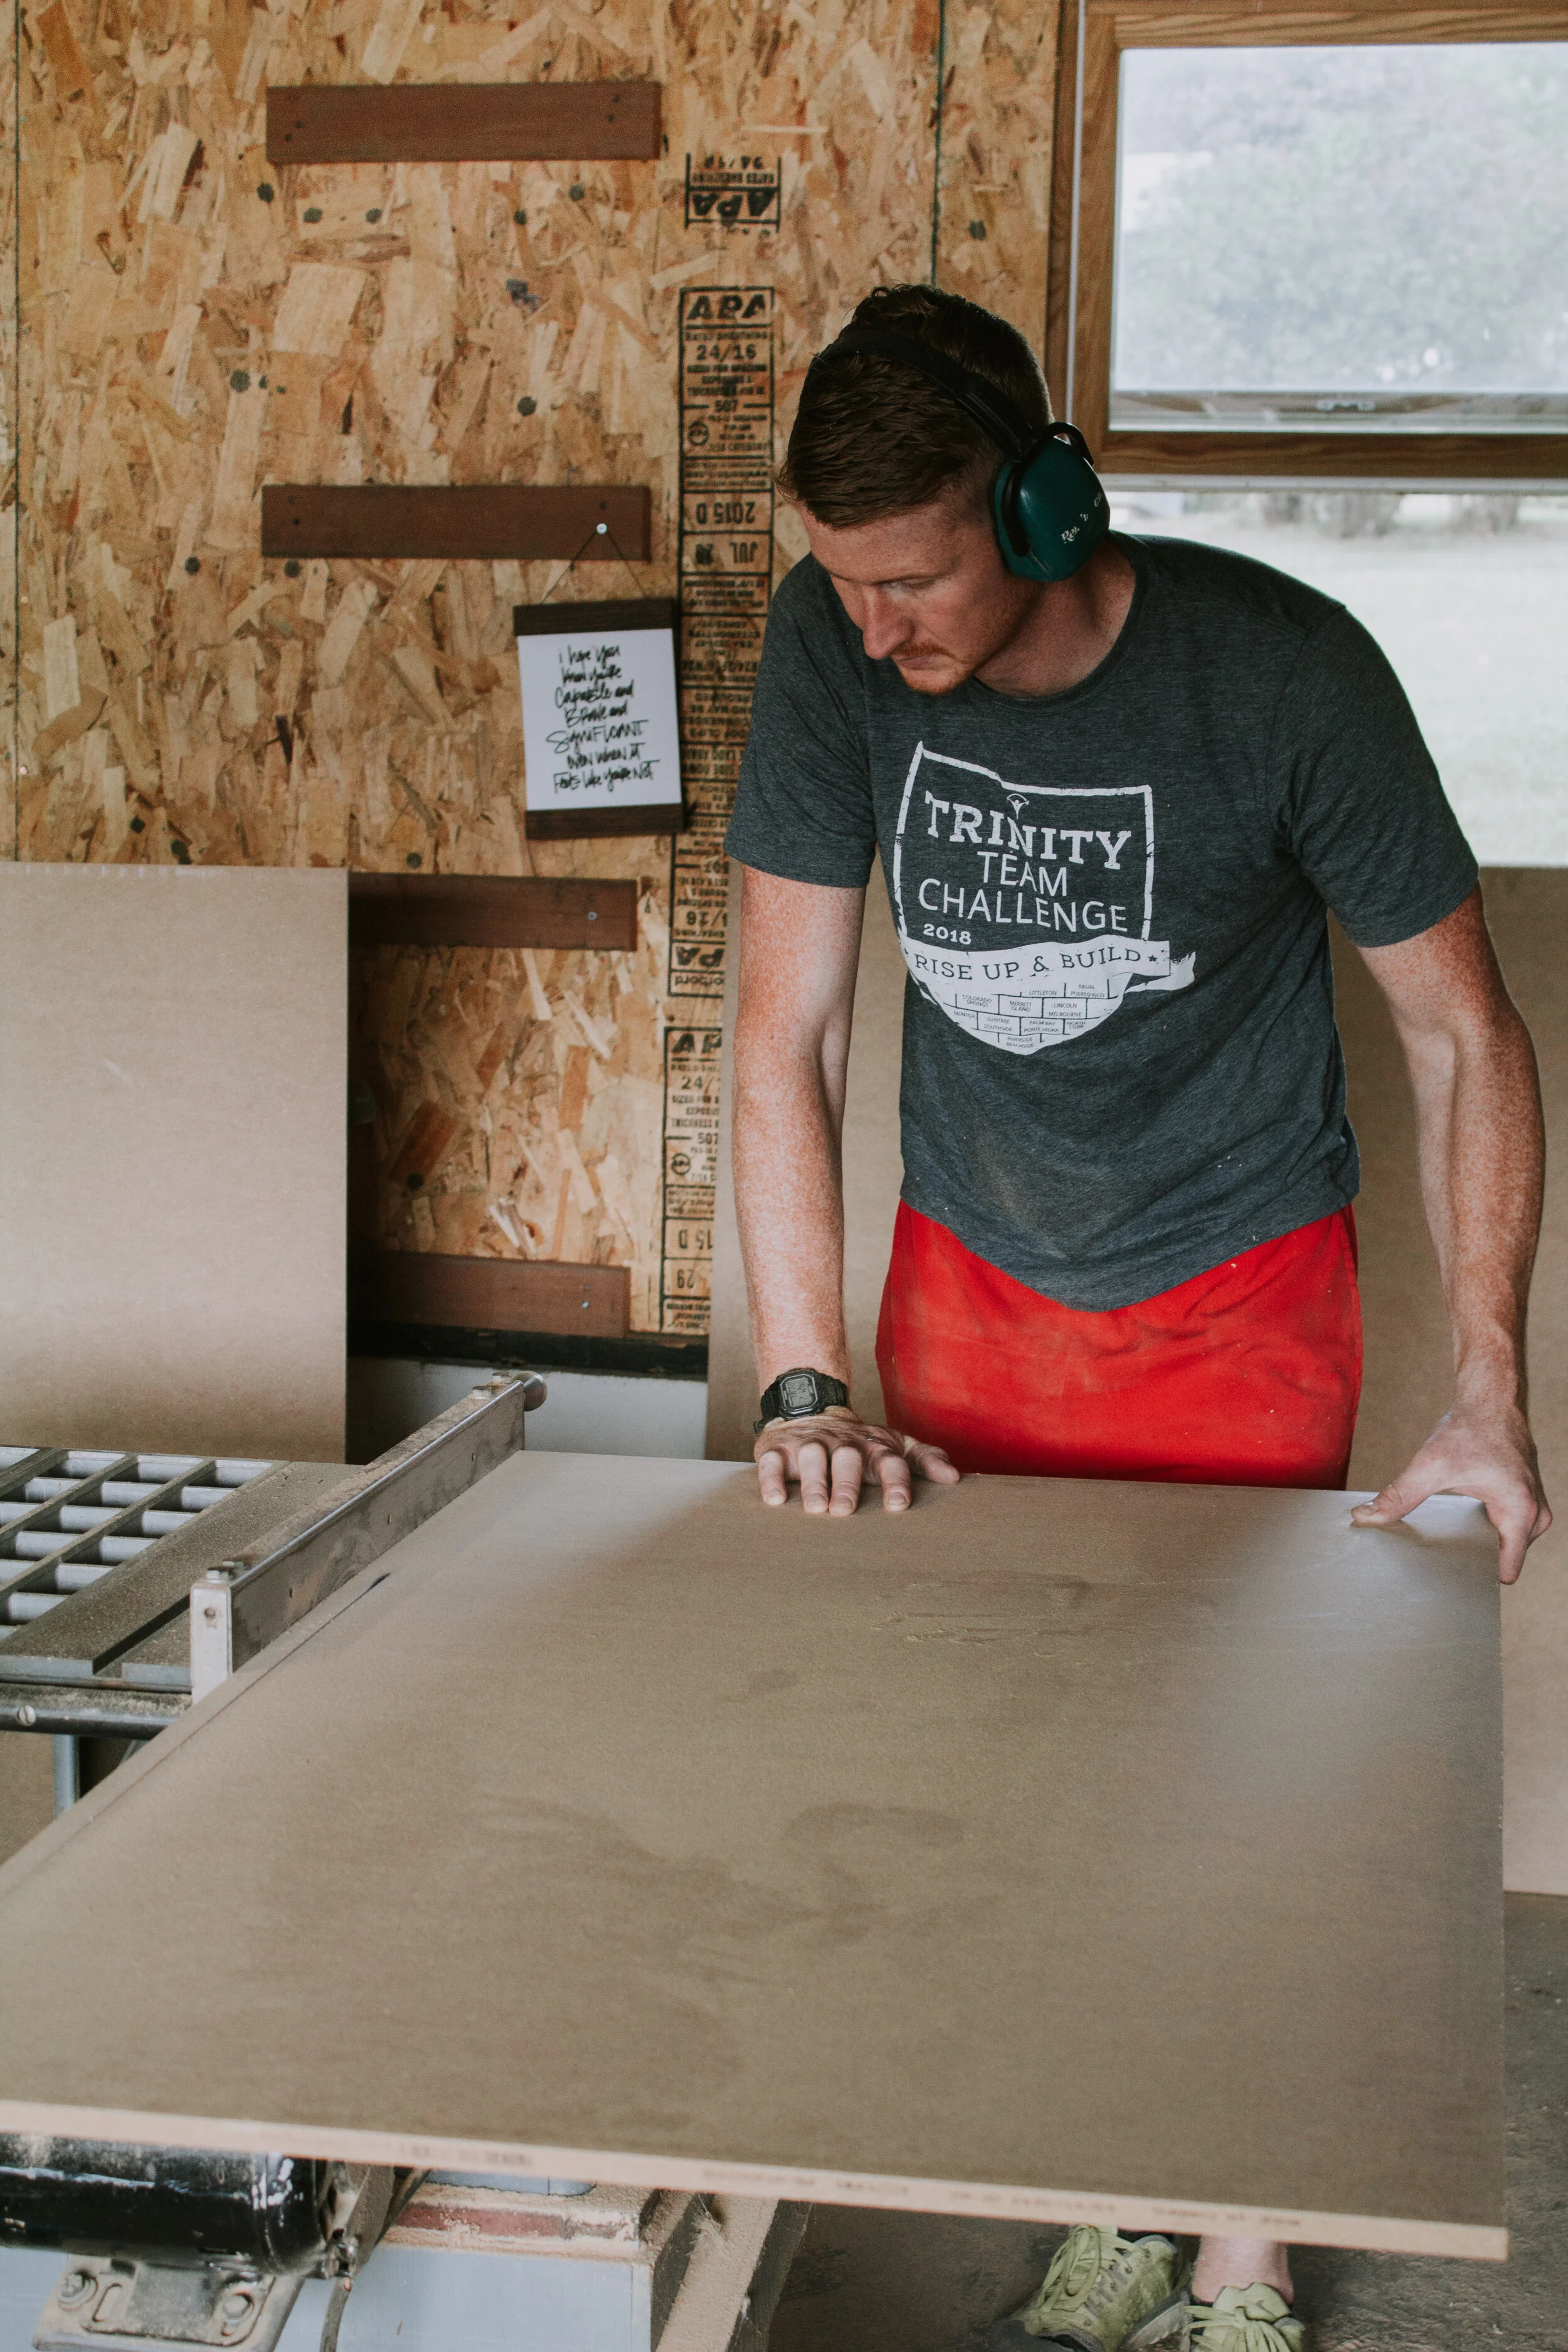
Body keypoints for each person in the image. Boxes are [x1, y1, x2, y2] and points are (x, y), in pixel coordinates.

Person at [723, 284, 1552, 2352]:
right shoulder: (835, 652)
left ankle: (1242, 2258)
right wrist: (807, 1369)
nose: (875, 632)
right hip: (976, 1279)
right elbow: (783, 1031)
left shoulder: (1281, 676)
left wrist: (1487, 1395)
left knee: (1236, 1782)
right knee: (1020, 1777)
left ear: (1038, 505)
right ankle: (1109, 2195)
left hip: (1235, 1286)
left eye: (909, 580)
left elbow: (1459, 1034)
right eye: (843, 586)